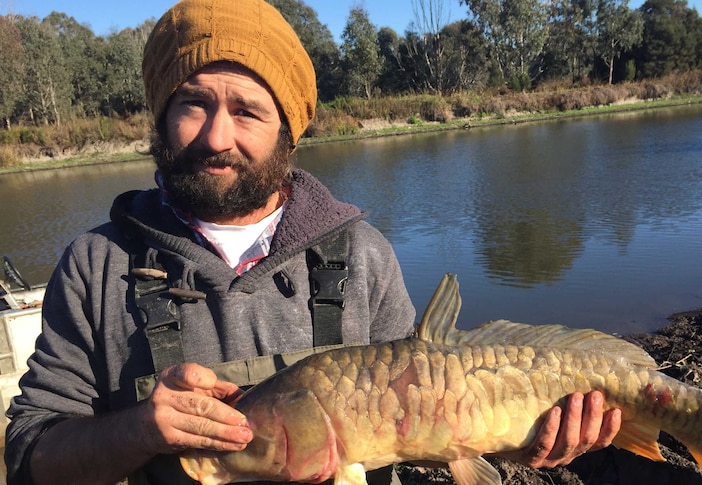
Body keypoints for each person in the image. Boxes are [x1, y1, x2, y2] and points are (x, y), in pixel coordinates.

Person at [4, 0, 621, 483]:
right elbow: (31, 458)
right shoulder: (97, 264)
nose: (218, 135)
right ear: (161, 118)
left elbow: (425, 431)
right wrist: (139, 430)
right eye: (193, 104)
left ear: (289, 130)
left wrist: (525, 432)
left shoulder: (363, 256)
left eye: (247, 111)